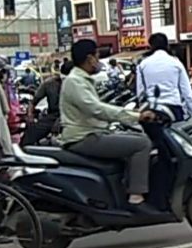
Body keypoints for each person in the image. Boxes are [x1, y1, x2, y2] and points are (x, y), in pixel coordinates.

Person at [60, 39, 156, 207]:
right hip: (84, 137)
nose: (98, 60)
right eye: (97, 56)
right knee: (142, 144)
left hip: (91, 133)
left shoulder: (82, 79)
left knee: (132, 137)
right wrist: (135, 116)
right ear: (90, 58)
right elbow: (96, 109)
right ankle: (136, 196)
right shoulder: (75, 81)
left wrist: (133, 114)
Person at [135, 32, 192, 122]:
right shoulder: (176, 62)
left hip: (152, 109)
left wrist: (143, 109)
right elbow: (187, 92)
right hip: (174, 108)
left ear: (151, 46)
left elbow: (140, 92)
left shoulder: (143, 65)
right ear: (167, 45)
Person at [22, 61, 71, 146]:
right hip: (52, 116)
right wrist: (29, 115)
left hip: (71, 117)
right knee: (30, 135)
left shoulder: (78, 85)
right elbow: (33, 102)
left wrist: (59, 121)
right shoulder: (49, 83)